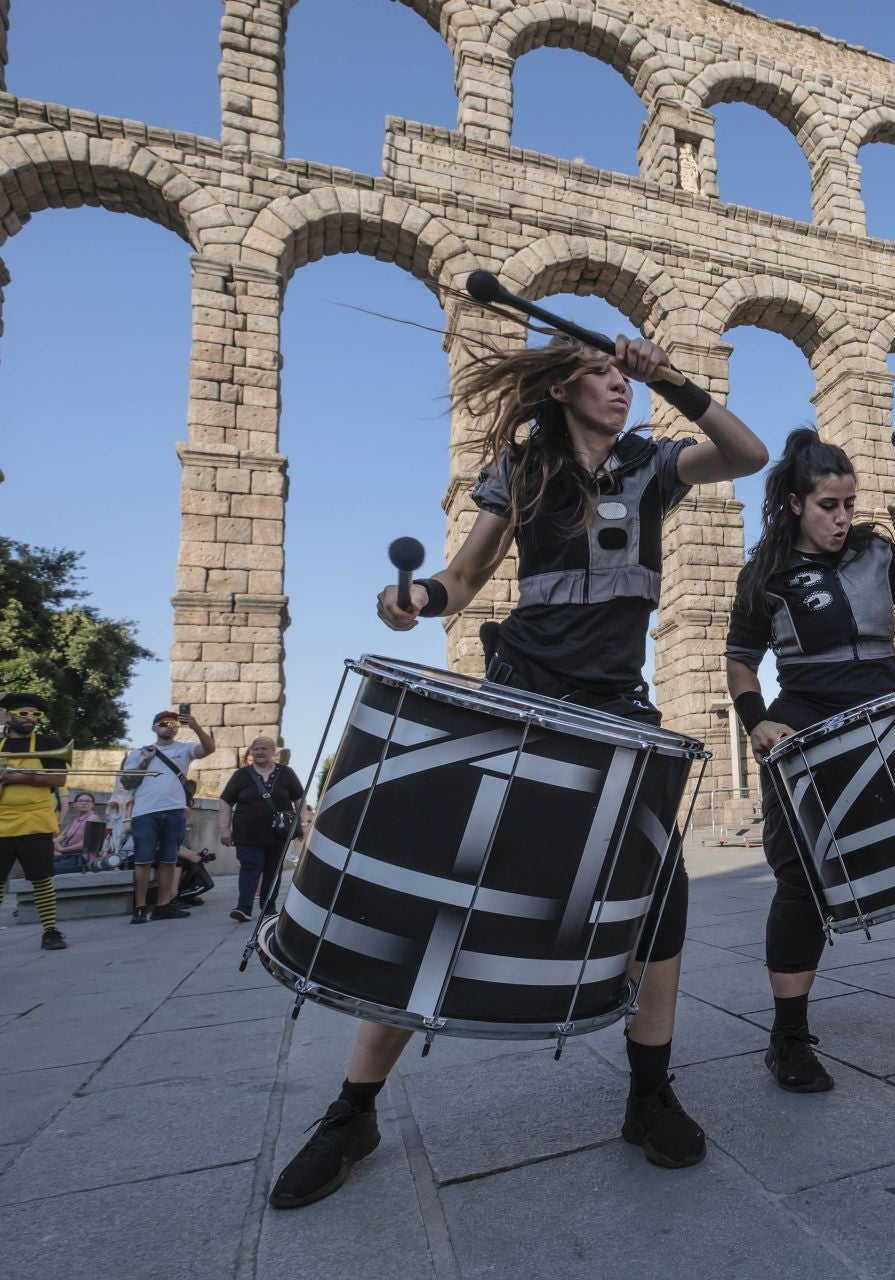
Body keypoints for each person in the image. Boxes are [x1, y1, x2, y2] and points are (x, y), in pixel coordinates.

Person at [267, 332, 767, 1209]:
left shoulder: (653, 465)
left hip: (614, 703)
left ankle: (648, 1095)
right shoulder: (527, 469)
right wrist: (415, 601)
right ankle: (354, 1111)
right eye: (605, 376)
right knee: (438, 890)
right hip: (524, 689)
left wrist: (669, 378)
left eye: (623, 375)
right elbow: (465, 574)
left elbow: (748, 454)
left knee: (662, 895)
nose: (619, 388)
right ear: (565, 388)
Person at [726, 429, 895, 1093]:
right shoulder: (765, 574)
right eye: (828, 506)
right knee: (801, 882)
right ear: (793, 503)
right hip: (807, 727)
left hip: (891, 719)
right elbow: (740, 661)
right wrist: (758, 722)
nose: (842, 518)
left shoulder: (875, 550)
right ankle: (787, 1035)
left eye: (848, 504)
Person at [119, 709, 214, 922]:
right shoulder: (139, 752)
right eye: (163, 723)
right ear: (155, 727)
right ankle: (140, 907)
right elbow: (127, 783)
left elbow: (209, 749)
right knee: (142, 860)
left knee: (169, 860)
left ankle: (163, 905)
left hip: (174, 810)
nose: (168, 727)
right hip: (145, 812)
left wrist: (196, 727)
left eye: (172, 724)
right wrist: (145, 761)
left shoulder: (184, 749)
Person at [0, 692, 71, 949]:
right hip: (1, 821)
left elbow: (59, 780)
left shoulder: (48, 743)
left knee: (41, 878)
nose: (31, 718)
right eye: (24, 713)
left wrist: (23, 777)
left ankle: (50, 930)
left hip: (36, 820)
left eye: (35, 715)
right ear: (8, 716)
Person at [219, 737, 306, 921]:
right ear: (251, 751)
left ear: (272, 751)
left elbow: (299, 798)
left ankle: (268, 907)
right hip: (246, 833)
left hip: (278, 833)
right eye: (255, 749)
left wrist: (302, 824)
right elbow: (226, 800)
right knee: (251, 865)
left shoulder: (286, 773)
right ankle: (244, 908)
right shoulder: (241, 775)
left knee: (273, 869)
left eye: (264, 748)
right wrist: (224, 828)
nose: (259, 752)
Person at [53, 791, 101, 872]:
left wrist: (62, 850)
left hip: (82, 859)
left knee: (51, 869)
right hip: (69, 855)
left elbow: (84, 844)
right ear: (74, 804)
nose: (84, 803)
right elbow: (57, 840)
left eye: (87, 801)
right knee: (43, 864)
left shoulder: (94, 819)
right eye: (80, 801)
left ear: (93, 805)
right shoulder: (74, 821)